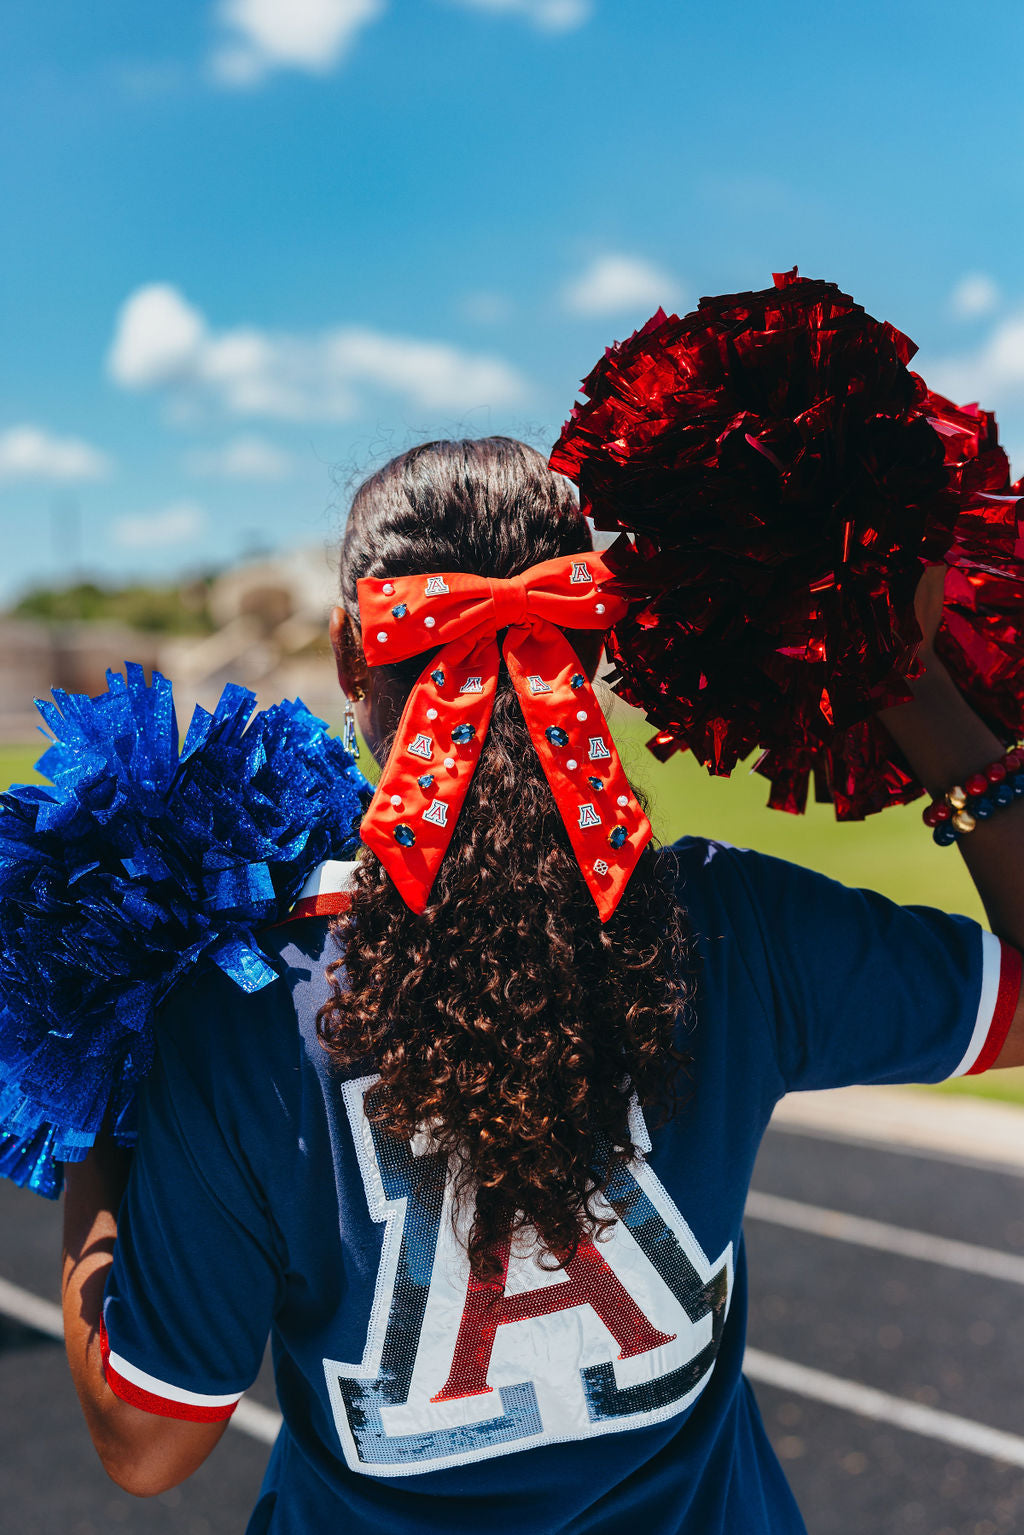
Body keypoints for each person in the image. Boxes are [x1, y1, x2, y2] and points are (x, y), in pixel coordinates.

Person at [62, 437, 1024, 1534]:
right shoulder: (732, 929)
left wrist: (97, 1103)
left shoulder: (235, 1010)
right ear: (594, 641)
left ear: (347, 654)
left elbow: (147, 1443)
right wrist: (909, 679)